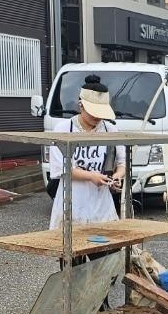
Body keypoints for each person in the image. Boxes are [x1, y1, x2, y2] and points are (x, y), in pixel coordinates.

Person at [47, 74, 126, 231]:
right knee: (71, 242)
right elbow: (62, 169)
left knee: (105, 242)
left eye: (100, 112)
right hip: (72, 199)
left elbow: (122, 162)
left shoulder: (110, 130)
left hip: (101, 202)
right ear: (80, 105)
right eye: (93, 111)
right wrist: (91, 176)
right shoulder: (63, 129)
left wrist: (117, 176)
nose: (97, 116)